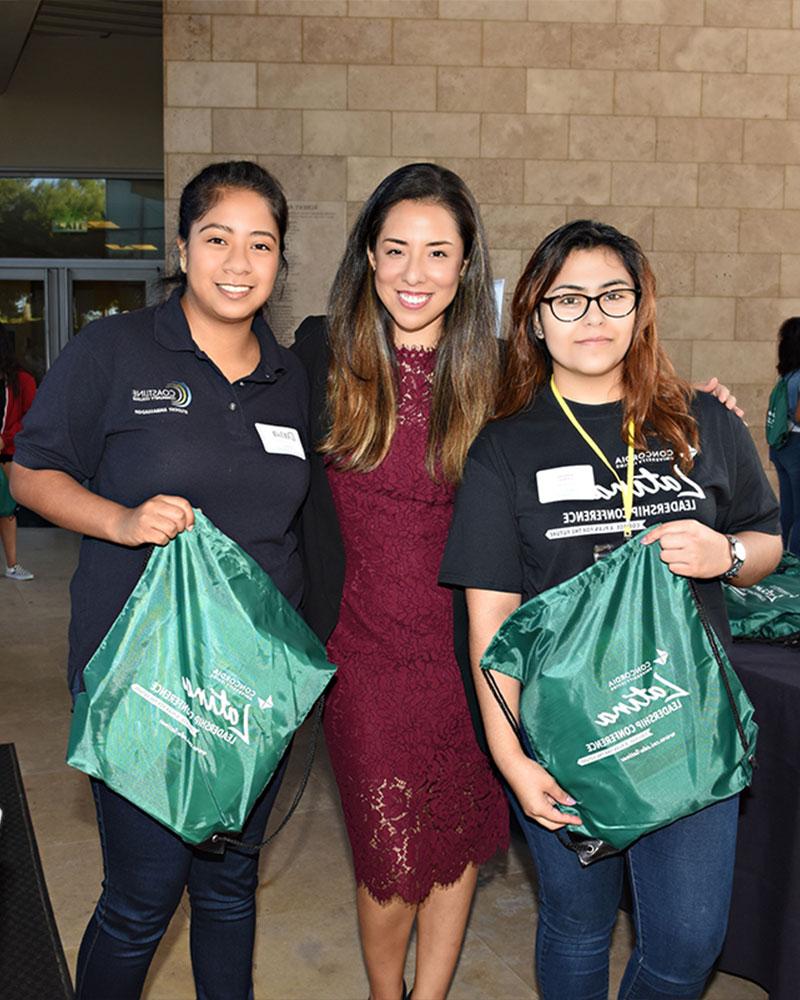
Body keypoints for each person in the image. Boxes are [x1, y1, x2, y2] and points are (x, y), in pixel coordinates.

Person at [440, 219, 782, 1000]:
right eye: (568, 299)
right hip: (567, 738)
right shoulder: (504, 449)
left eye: (612, 295)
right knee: (578, 921)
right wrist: (513, 760)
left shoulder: (702, 420)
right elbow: (489, 626)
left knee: (690, 944)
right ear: (532, 314)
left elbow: (766, 538)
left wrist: (723, 556)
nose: (592, 316)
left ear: (641, 306)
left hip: (687, 729)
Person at [10, 161, 310, 1000]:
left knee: (228, 888)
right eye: (218, 238)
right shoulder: (115, 350)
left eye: (262, 244)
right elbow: (32, 474)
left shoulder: (292, 381)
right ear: (182, 246)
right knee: (143, 900)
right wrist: (120, 519)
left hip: (252, 689)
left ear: (282, 262)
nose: (239, 261)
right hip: (141, 680)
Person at [292, 163, 509, 1000]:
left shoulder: (494, 372)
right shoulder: (322, 350)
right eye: (396, 250)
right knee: (390, 858)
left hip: (466, 655)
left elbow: (582, 425)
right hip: (361, 655)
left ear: (464, 266)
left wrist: (695, 414)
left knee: (455, 840)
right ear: (369, 258)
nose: (414, 274)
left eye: (437, 253)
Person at [0, 325, 37, 580]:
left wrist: (4, 439)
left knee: (7, 510)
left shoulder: (22, 380)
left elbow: (32, 419)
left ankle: (12, 565)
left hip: (7, 454)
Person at [770, 316, 800, 555]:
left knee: (788, 509)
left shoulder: (787, 375)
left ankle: (780, 558)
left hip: (782, 446)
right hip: (798, 446)